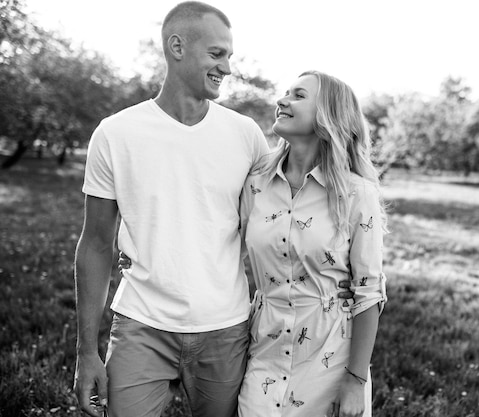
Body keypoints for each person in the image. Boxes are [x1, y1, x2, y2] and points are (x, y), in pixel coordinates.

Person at [73, 3, 269, 417]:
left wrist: (329, 282)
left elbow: (275, 225)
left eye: (229, 56)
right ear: (176, 47)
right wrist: (85, 352)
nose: (227, 68)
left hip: (226, 326)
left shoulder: (246, 135)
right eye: (217, 54)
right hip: (141, 324)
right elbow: (95, 243)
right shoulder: (115, 133)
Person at [237, 70, 388, 417]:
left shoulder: (356, 192)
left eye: (298, 95)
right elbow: (220, 240)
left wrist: (355, 380)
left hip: (331, 357)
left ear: (327, 115)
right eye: (285, 92)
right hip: (264, 348)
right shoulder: (256, 185)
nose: (282, 100)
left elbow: (369, 292)